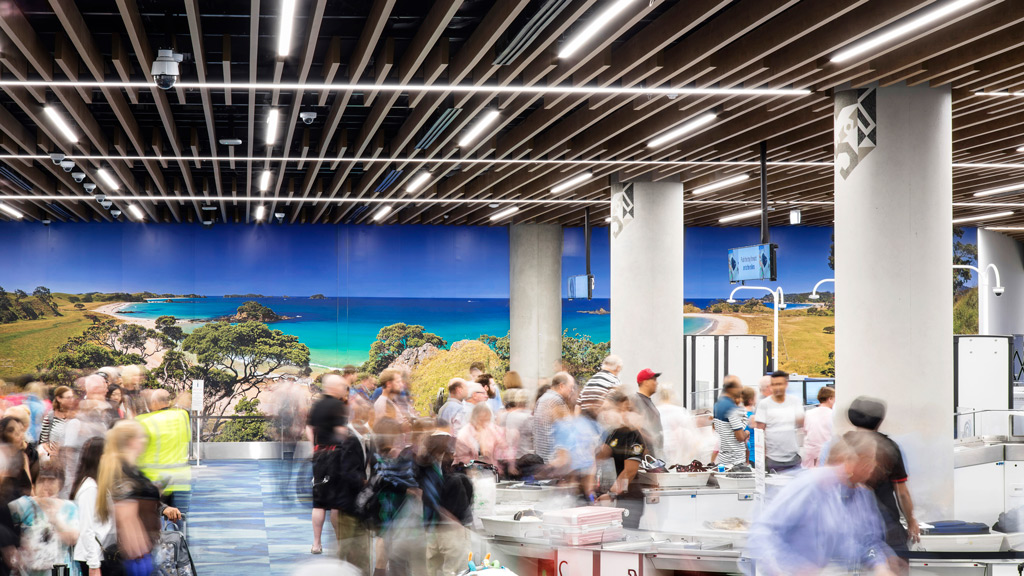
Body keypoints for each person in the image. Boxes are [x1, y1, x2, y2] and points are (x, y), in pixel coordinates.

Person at [742, 431, 897, 576]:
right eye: (868, 459)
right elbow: (763, 530)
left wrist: (879, 564)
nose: (873, 466)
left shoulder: (860, 495)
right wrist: (785, 567)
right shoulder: (811, 486)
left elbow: (864, 541)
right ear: (849, 459)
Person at [848, 396, 921, 566]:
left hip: (851, 525)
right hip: (886, 525)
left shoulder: (837, 445)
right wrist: (911, 520)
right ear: (879, 421)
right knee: (896, 567)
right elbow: (901, 492)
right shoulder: (889, 447)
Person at [96, 421, 163, 576]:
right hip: (134, 554)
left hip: (142, 549)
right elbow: (126, 517)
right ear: (131, 441)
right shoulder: (122, 471)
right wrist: (140, 555)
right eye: (141, 437)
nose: (144, 441)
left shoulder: (129, 469)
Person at [9, 465, 80, 576]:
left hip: (59, 570)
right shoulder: (23, 505)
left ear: (60, 483)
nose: (46, 485)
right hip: (28, 571)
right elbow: (5, 527)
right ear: (34, 484)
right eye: (41, 480)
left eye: (51, 480)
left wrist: (55, 520)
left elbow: (73, 538)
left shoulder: (69, 507)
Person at [306, 373, 349, 555]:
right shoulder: (338, 405)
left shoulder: (317, 404)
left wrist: (313, 447)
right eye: (341, 386)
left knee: (319, 502)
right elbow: (341, 431)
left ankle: (316, 544)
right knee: (337, 504)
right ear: (334, 387)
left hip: (319, 455)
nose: (343, 389)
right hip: (335, 456)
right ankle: (340, 545)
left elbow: (309, 427)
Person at [135, 390, 191, 517]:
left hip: (153, 481)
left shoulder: (142, 421)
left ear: (154, 402)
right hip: (180, 479)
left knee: (153, 517)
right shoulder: (182, 416)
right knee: (180, 517)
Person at [597, 391, 648, 529]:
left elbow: (629, 472)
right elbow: (601, 455)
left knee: (626, 536)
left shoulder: (633, 435)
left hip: (630, 499)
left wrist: (611, 494)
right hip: (619, 497)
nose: (606, 413)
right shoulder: (614, 433)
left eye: (609, 409)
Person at [334, 394, 370, 574]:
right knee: (346, 550)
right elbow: (347, 472)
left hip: (358, 505)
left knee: (359, 550)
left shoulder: (360, 438)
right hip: (349, 504)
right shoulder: (349, 439)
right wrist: (366, 483)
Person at [71, 438, 114, 576]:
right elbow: (86, 528)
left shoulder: (97, 485)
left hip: (99, 555)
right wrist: (94, 565)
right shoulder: (90, 488)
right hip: (94, 557)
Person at [753, 370, 804, 472]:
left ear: (786, 384)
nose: (777, 388)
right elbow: (759, 432)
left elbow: (800, 423)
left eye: (780, 384)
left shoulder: (795, 401)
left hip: (793, 457)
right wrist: (761, 459)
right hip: (772, 459)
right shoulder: (764, 404)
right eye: (774, 385)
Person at [533, 372, 574, 463]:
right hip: (553, 459)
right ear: (562, 386)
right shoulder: (557, 400)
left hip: (542, 457)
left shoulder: (542, 398)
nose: (572, 390)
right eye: (571, 387)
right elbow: (568, 429)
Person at [454, 403, 506, 467]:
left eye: (487, 420)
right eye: (481, 420)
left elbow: (502, 443)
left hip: (489, 468)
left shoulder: (491, 428)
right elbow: (462, 457)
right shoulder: (464, 433)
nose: (485, 423)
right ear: (474, 418)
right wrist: (475, 468)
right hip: (467, 468)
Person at [713, 376, 749, 468]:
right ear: (730, 389)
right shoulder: (732, 408)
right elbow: (740, 437)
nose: (741, 389)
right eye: (739, 387)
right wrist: (746, 433)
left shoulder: (717, 405)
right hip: (736, 461)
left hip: (723, 459)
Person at [0, 416, 37, 497]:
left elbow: (30, 490)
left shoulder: (23, 457)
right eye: (17, 434)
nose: (22, 437)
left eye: (21, 432)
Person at [633, 369, 664, 457]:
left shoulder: (647, 400)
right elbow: (636, 427)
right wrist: (645, 448)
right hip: (646, 455)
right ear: (645, 382)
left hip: (653, 453)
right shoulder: (637, 400)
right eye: (654, 380)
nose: (656, 383)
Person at [803, 387, 836, 468]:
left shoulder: (808, 413)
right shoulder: (833, 415)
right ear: (830, 399)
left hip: (810, 453)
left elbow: (805, 431)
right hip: (825, 454)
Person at [40, 386, 75, 460]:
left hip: (71, 458)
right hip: (55, 459)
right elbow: (44, 441)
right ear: (59, 399)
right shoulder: (50, 417)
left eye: (72, 397)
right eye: (68, 398)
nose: (71, 400)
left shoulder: (76, 416)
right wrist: (50, 453)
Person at [741, 386, 757, 466]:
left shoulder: (738, 415)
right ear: (750, 400)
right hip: (753, 455)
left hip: (741, 455)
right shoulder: (753, 417)